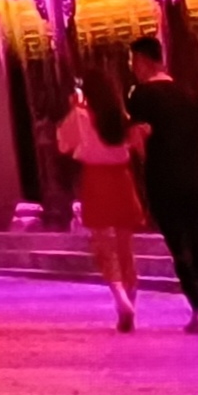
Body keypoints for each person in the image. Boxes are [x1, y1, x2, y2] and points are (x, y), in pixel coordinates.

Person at [123, 33, 198, 330]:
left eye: (132, 61)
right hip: (193, 175)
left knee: (178, 244)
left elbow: (138, 138)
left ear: (142, 61)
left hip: (162, 177)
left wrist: (148, 151)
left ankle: (197, 307)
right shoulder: (191, 93)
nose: (132, 67)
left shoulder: (140, 95)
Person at [54, 82, 147, 327]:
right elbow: (137, 145)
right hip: (122, 178)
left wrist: (73, 109)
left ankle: (120, 298)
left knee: (104, 246)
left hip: (96, 178)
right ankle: (130, 301)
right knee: (126, 246)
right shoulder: (121, 117)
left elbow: (63, 143)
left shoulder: (82, 115)